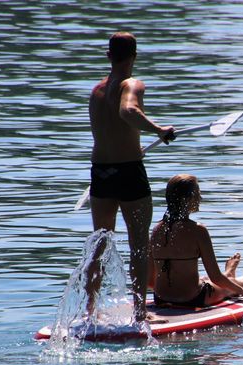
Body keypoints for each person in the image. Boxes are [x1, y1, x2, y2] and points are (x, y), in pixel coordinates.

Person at [86, 32, 175, 322]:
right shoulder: (132, 84)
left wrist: (133, 145)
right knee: (139, 244)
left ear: (108, 55)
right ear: (134, 56)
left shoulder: (97, 91)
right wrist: (159, 130)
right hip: (128, 173)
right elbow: (128, 110)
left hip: (100, 173)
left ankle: (89, 311)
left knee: (99, 244)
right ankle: (139, 313)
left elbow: (111, 132)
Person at [148, 174, 243, 308]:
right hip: (193, 298)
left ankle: (228, 274)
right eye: (198, 193)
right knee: (230, 286)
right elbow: (215, 277)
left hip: (160, 298)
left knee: (205, 279)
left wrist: (172, 290)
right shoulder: (198, 231)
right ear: (187, 199)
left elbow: (149, 281)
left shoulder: (156, 231)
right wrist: (242, 291)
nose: (201, 198)